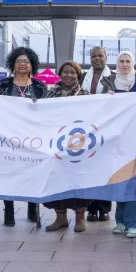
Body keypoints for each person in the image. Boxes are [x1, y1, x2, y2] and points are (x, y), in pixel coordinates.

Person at [101, 51, 136, 238]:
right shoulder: (107, 84)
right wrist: (106, 100)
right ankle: (120, 221)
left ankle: (134, 222)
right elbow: (100, 111)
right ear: (117, 64)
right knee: (119, 176)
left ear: (133, 63)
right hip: (117, 139)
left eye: (128, 61)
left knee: (135, 178)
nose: (124, 64)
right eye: (121, 61)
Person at [0, 47, 47, 227]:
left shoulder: (40, 86)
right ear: (13, 65)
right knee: (8, 175)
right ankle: (8, 210)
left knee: (33, 174)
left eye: (26, 61)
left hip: (32, 138)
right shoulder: (3, 85)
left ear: (32, 64)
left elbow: (47, 112)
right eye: (19, 61)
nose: (22, 64)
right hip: (8, 138)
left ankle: (33, 207)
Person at [42, 61, 92, 232]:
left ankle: (80, 219)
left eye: (73, 72)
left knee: (78, 181)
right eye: (65, 72)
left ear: (78, 75)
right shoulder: (49, 94)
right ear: (60, 74)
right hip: (55, 145)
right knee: (56, 181)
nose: (69, 75)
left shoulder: (85, 94)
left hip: (78, 145)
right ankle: (60, 218)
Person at [81, 46, 113, 222]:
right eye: (93, 56)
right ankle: (91, 209)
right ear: (90, 59)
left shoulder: (114, 77)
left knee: (105, 169)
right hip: (86, 130)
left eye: (100, 55)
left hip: (105, 129)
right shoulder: (82, 77)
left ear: (106, 57)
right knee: (88, 170)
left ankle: (104, 208)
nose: (97, 59)